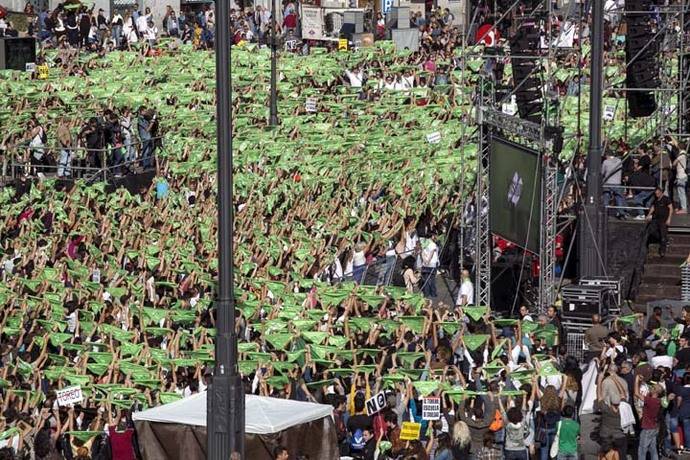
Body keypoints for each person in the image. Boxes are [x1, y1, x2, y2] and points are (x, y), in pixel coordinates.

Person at [645, 187, 673, 257]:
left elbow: (671, 208)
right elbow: (653, 207)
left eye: (658, 194)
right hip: (656, 219)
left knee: (663, 236)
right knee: (651, 231)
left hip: (664, 220)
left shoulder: (666, 199)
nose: (657, 195)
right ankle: (662, 238)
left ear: (661, 192)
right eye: (656, 194)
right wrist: (648, 215)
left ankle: (662, 251)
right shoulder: (655, 199)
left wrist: (669, 219)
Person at [602, 151, 625, 218]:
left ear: (607, 155)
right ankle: (621, 213)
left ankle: (605, 213)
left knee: (606, 197)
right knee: (618, 198)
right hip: (617, 182)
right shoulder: (619, 161)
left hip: (608, 182)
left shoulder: (606, 162)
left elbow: (602, 172)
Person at [673, 149, 688, 214]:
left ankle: (684, 209)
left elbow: (674, 163)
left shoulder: (681, 156)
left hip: (681, 176)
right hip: (682, 176)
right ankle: (683, 207)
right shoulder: (685, 156)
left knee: (681, 193)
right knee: (681, 192)